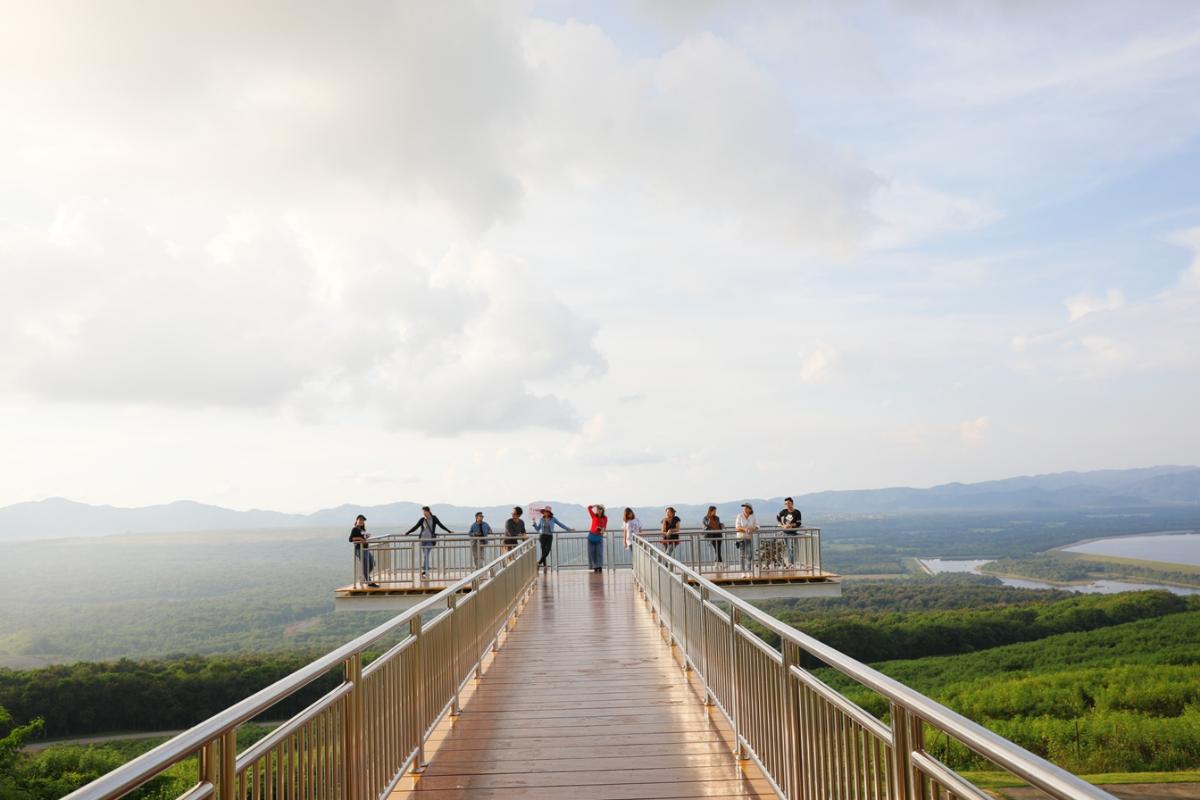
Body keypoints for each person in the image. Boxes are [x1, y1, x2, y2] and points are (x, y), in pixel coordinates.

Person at [405, 506, 452, 577]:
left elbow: (440, 525)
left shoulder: (434, 518)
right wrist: (407, 532)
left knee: (426, 554)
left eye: (425, 511)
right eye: (423, 512)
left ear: (428, 511)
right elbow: (416, 527)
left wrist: (448, 531)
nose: (424, 513)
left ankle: (425, 570)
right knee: (425, 555)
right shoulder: (422, 519)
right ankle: (426, 570)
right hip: (422, 539)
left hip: (430, 539)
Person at [348, 514, 379, 587]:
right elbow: (350, 539)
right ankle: (369, 582)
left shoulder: (362, 529)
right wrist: (360, 538)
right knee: (366, 565)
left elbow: (364, 538)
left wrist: (366, 536)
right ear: (357, 520)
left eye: (363, 520)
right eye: (360, 520)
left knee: (372, 563)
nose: (361, 521)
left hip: (365, 549)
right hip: (360, 549)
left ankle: (365, 577)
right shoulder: (354, 529)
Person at [776, 497, 803, 565]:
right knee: (788, 549)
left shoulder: (797, 512)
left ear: (792, 503)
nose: (787, 505)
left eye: (788, 503)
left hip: (792, 533)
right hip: (785, 533)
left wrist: (790, 525)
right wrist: (781, 524)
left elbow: (798, 523)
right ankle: (790, 563)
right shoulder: (784, 511)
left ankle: (791, 564)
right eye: (786, 504)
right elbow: (778, 516)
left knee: (791, 549)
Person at [734, 503, 759, 572]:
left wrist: (752, 529)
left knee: (749, 554)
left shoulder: (753, 516)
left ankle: (749, 570)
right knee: (742, 555)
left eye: (746, 507)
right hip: (741, 537)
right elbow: (737, 527)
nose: (744, 508)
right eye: (744, 507)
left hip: (748, 537)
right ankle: (743, 571)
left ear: (750, 509)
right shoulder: (739, 516)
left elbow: (757, 526)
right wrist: (745, 529)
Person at [587, 504, 608, 573]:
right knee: (592, 553)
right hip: (591, 536)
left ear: (602, 510)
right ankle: (595, 567)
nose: (599, 511)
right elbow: (589, 508)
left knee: (599, 552)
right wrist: (595, 505)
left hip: (599, 536)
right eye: (598, 509)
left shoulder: (605, 518)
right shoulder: (594, 516)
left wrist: (602, 530)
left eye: (600, 509)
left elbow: (604, 527)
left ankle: (600, 566)